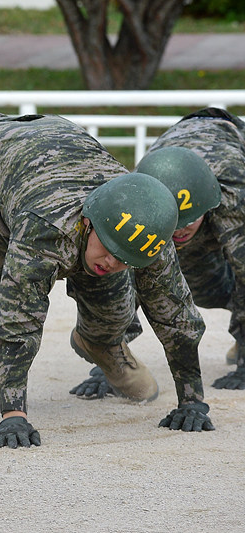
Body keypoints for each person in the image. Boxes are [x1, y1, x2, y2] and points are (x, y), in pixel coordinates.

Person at [0, 112, 215, 449]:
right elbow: (19, 319)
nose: (113, 262)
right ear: (89, 224)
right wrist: (13, 415)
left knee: (114, 306)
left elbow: (175, 315)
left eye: (126, 260)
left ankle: (104, 344)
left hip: (68, 155)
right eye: (109, 249)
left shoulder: (149, 229)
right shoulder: (45, 230)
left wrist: (193, 400)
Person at [70, 107, 245, 398]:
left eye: (189, 223)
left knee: (228, 280)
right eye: (174, 226)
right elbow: (123, 275)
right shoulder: (141, 192)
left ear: (207, 209)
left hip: (232, 152)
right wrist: (108, 361)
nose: (180, 232)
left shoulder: (232, 195)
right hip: (174, 152)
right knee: (178, 279)